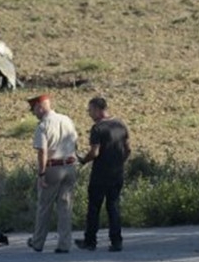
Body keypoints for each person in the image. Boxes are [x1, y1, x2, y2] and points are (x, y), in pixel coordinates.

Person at [75, 97, 131, 252]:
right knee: (113, 206)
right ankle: (116, 241)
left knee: (94, 208)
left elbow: (95, 152)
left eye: (90, 110)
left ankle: (90, 241)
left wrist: (83, 160)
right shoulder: (120, 125)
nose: (89, 113)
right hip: (117, 174)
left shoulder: (97, 128)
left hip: (100, 175)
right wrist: (119, 162)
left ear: (99, 110)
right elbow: (128, 149)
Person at [26, 94, 79, 253]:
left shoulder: (43, 125)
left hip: (52, 168)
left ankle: (38, 242)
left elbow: (42, 152)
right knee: (65, 207)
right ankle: (64, 244)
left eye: (34, 109)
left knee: (44, 207)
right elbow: (75, 142)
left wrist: (41, 174)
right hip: (70, 166)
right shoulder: (67, 119)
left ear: (40, 107)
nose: (33, 113)